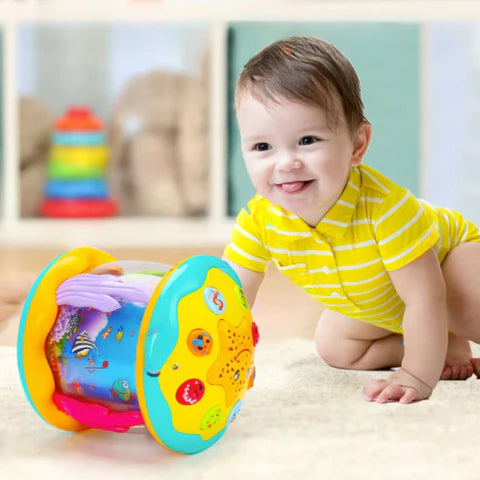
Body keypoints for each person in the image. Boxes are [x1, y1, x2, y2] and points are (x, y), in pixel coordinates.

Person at [223, 35, 480, 404]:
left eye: (308, 140)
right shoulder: (258, 219)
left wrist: (416, 374)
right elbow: (232, 297)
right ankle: (443, 344)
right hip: (382, 300)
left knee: (461, 301)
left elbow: (425, 297)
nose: (286, 162)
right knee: (335, 346)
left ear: (357, 145)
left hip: (444, 268)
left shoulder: (387, 209)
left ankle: (438, 340)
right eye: (262, 147)